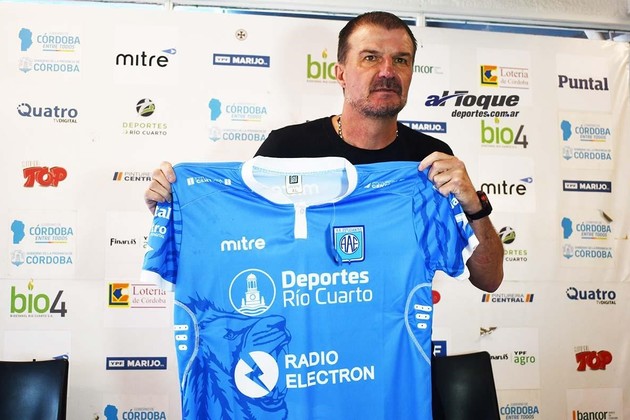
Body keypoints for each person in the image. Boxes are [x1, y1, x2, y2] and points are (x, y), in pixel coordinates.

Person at [144, 11, 503, 293]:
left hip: (393, 352)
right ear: (341, 73)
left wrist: (474, 206)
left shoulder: (429, 160)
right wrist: (176, 209)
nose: (387, 72)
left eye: (401, 60)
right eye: (370, 58)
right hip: (306, 344)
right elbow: (235, 244)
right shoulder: (286, 149)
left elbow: (488, 279)